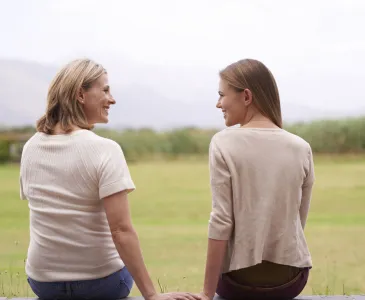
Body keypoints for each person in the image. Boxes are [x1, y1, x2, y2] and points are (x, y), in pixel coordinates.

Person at [19, 58, 200, 300]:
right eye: (105, 90)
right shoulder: (105, 149)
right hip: (101, 284)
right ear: (80, 95)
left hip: (43, 283)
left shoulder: (31, 147)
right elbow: (121, 230)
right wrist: (152, 295)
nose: (112, 99)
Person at [197, 59, 315, 300]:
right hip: (292, 280)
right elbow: (297, 222)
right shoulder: (301, 147)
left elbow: (221, 220)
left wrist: (207, 294)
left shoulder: (222, 142)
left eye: (222, 95)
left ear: (246, 96)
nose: (218, 103)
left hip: (237, 283)